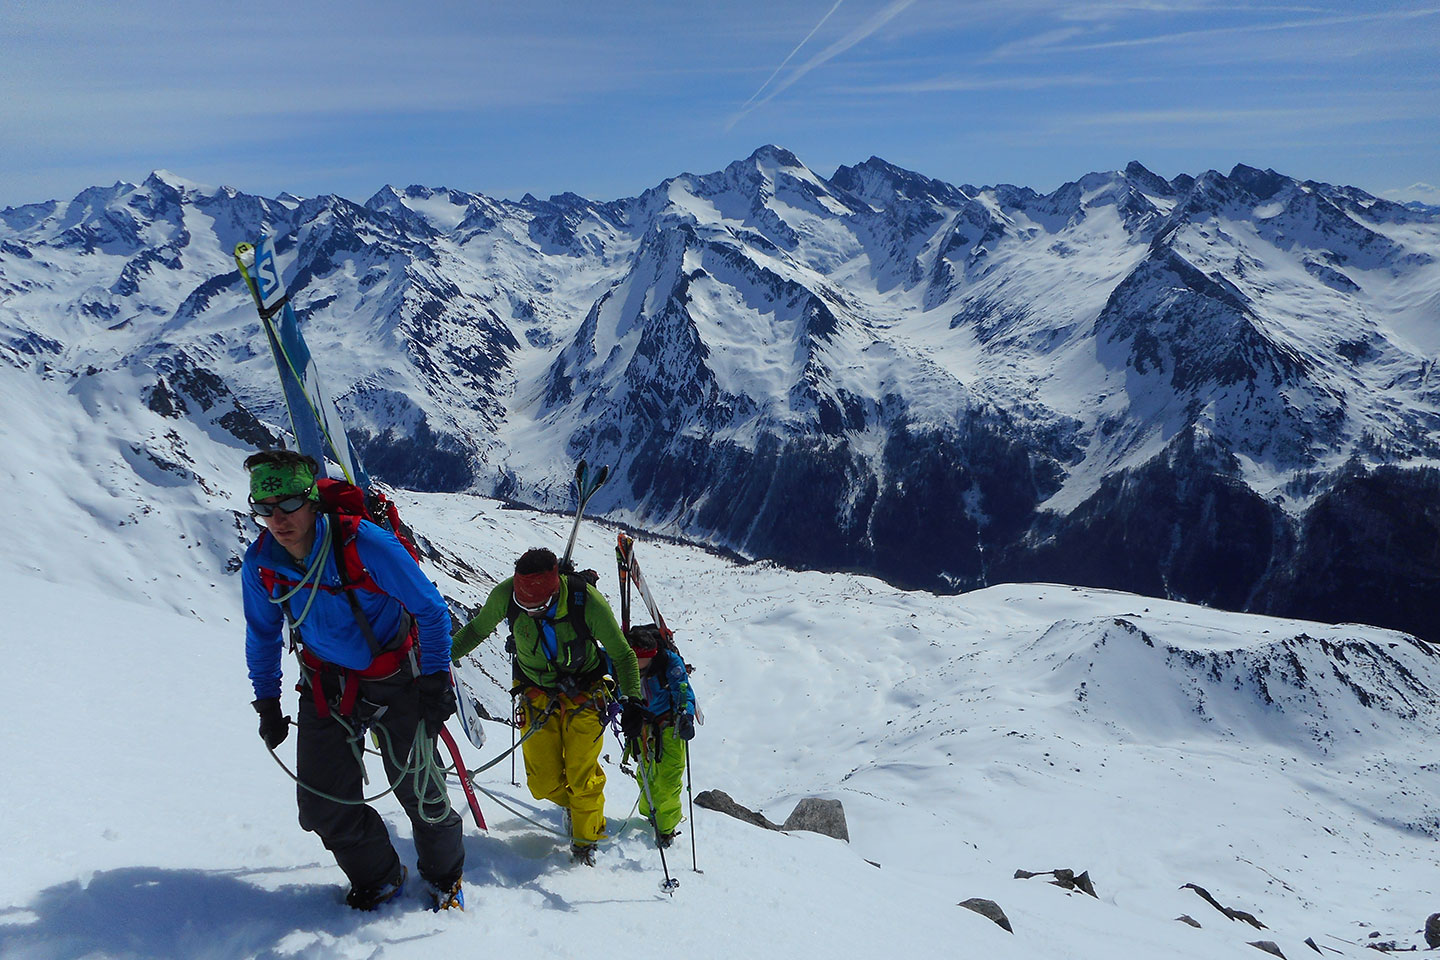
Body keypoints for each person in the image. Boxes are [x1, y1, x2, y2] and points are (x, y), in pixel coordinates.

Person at [240, 450, 465, 911]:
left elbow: (430, 608)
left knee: (422, 792)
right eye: (264, 509)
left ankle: (446, 877)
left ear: (311, 501)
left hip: (398, 677)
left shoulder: (363, 543)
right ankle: (379, 876)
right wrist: (267, 701)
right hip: (326, 685)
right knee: (322, 804)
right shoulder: (262, 564)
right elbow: (262, 635)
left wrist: (437, 678)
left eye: (287, 506)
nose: (276, 520)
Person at [451, 547, 642, 865]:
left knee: (583, 777)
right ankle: (577, 808)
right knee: (542, 783)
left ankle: (585, 841)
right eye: (527, 606)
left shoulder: (586, 602)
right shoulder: (508, 594)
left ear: (556, 590)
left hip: (586, 692)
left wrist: (632, 700)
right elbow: (476, 630)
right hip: (535, 691)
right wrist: (443, 656)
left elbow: (622, 654)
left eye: (539, 606)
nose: (533, 611)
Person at [623, 626, 697, 847]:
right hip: (640, 724)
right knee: (646, 773)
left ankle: (665, 827)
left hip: (668, 723)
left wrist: (687, 715)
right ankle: (650, 813)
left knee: (669, 778)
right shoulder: (622, 661)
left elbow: (682, 689)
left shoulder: (668, 662)